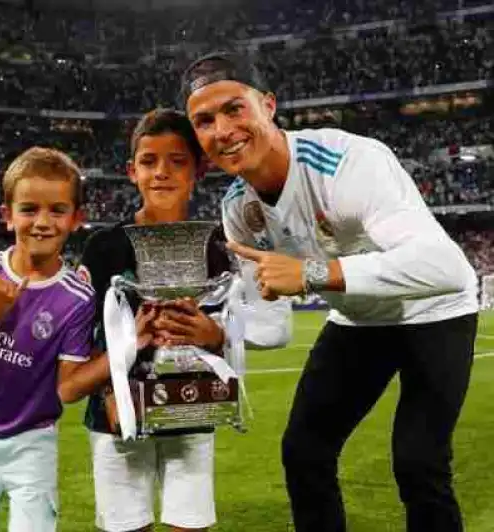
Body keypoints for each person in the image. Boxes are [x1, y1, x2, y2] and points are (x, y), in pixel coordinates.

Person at [180, 51, 479, 532]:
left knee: (419, 462)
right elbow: (272, 327)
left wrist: (314, 273)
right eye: (204, 121)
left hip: (435, 312)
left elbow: (446, 268)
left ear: (269, 106)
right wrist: (213, 333)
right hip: (358, 322)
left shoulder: (347, 161)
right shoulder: (237, 207)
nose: (223, 130)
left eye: (235, 108)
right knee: (303, 452)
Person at [64, 108, 291, 532]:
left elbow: (270, 325)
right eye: (149, 161)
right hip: (118, 420)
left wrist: (217, 334)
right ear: (132, 171)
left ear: (199, 169)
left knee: (190, 525)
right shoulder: (102, 248)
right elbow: (87, 338)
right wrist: (111, 392)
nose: (161, 173)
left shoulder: (222, 247)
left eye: (177, 161)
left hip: (192, 410)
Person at [0, 147, 95, 532]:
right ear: (7, 215)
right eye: (28, 209)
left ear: (77, 219)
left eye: (57, 210)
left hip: (33, 439)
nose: (42, 222)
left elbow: (67, 388)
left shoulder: (77, 298)